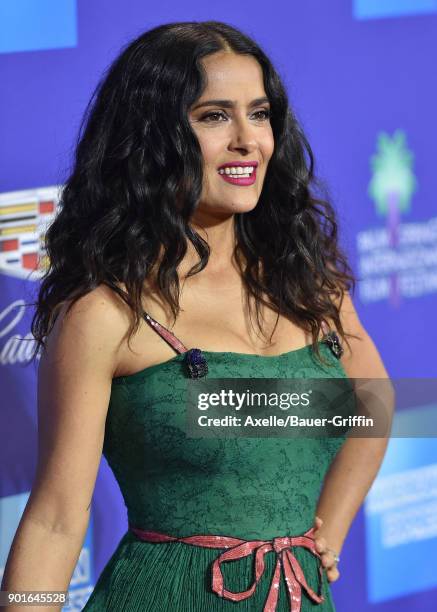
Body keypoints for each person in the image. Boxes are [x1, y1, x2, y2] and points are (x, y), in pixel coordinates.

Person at [1, 21, 393, 612]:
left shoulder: (310, 285)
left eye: (259, 114)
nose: (247, 140)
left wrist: (324, 537)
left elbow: (374, 406)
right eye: (214, 116)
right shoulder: (107, 313)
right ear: (154, 138)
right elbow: (56, 520)